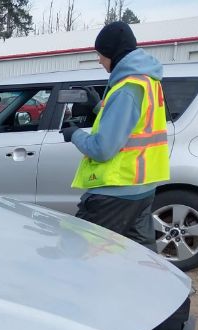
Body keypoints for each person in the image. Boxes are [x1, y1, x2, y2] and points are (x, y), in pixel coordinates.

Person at [61, 21, 169, 251]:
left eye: (101, 54)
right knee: (139, 257)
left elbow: (102, 149)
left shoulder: (127, 88)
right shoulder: (148, 81)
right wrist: (100, 106)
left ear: (113, 53)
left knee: (78, 252)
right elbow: (134, 122)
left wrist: (74, 134)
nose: (99, 60)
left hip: (115, 191)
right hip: (143, 187)